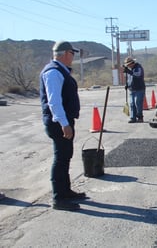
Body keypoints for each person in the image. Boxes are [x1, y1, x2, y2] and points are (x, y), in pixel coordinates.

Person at [40, 41, 86, 211]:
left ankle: (65, 191)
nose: (73, 57)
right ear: (66, 53)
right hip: (59, 123)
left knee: (65, 155)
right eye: (72, 54)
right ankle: (58, 198)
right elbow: (54, 102)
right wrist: (64, 124)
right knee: (60, 158)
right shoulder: (53, 72)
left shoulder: (60, 70)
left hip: (63, 121)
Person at [123, 57, 146, 123]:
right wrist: (127, 84)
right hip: (132, 89)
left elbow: (138, 75)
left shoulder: (138, 67)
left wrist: (129, 72)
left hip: (139, 88)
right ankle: (133, 118)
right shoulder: (130, 69)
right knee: (132, 103)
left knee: (138, 103)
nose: (128, 66)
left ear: (132, 63)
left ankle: (140, 117)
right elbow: (129, 78)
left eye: (128, 64)